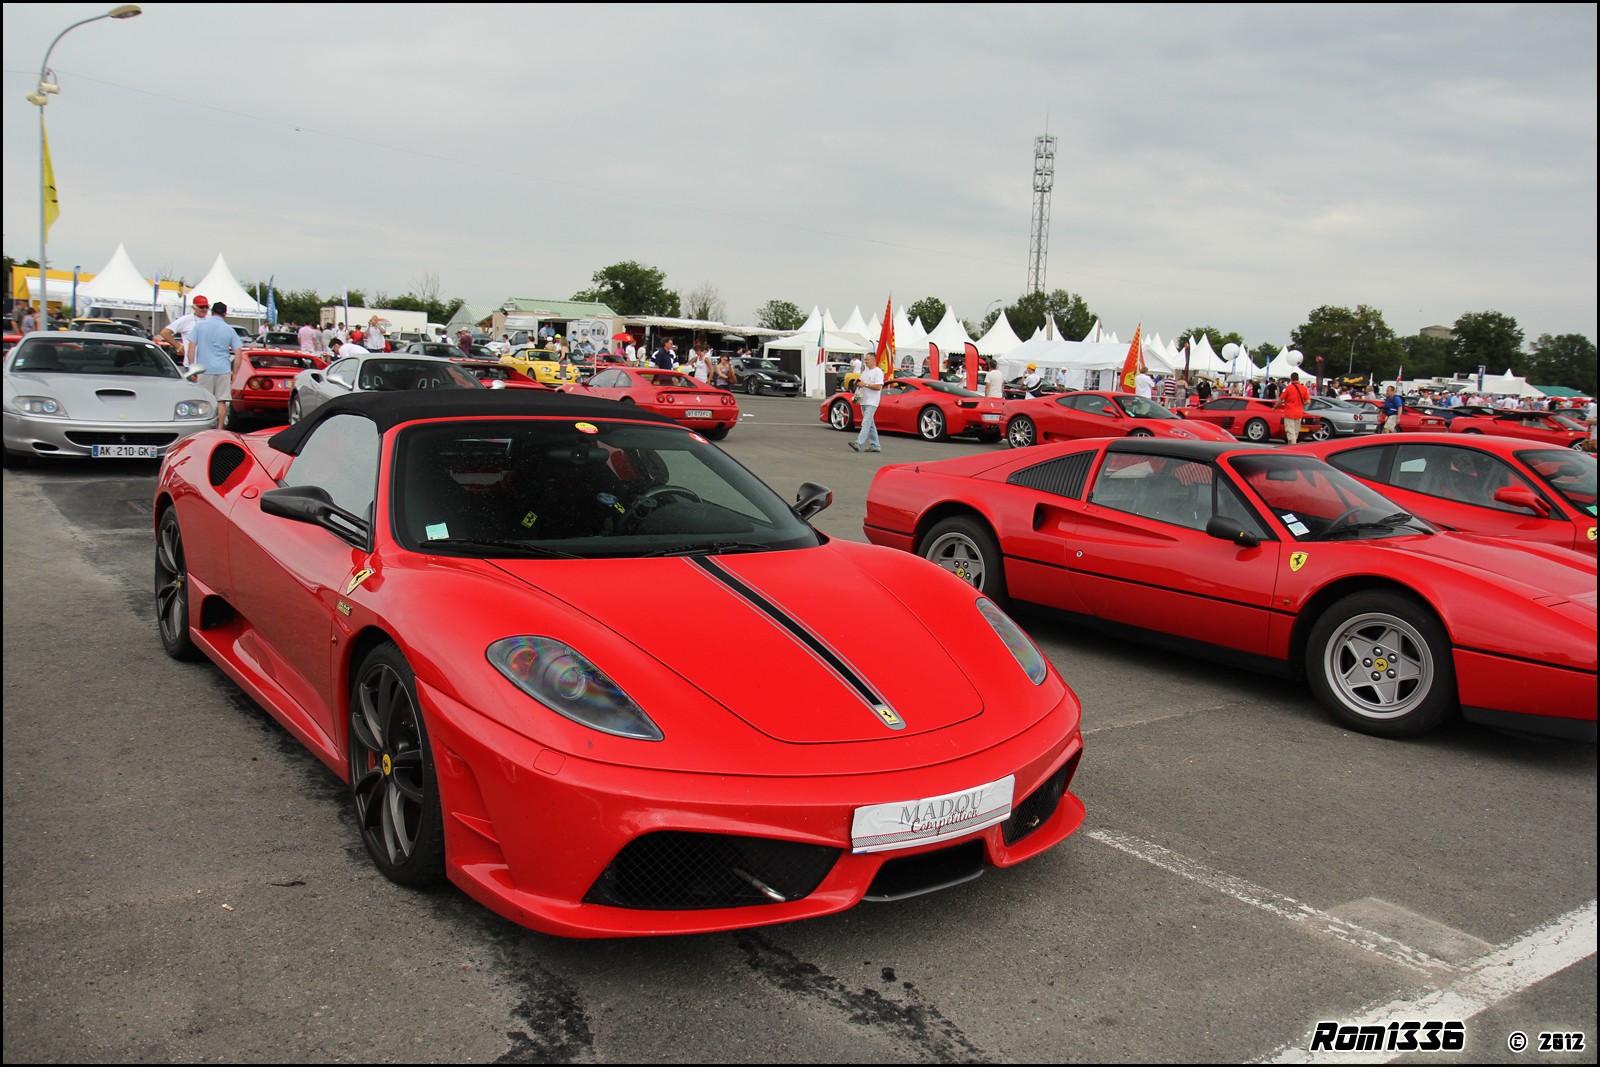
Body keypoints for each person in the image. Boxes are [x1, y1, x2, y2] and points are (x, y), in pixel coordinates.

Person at [190, 301, 243, 429]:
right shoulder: (229, 330)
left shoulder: (199, 326)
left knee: (204, 401)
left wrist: (192, 367)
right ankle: (219, 429)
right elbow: (238, 354)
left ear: (212, 311)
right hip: (223, 369)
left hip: (203, 369)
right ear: (225, 314)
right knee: (221, 401)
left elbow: (191, 349)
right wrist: (234, 372)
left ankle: (203, 429)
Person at [157, 295, 211, 366]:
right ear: (194, 307)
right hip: (191, 364)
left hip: (209, 364)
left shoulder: (211, 319)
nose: (204, 309)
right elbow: (165, 333)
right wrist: (178, 346)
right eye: (201, 307)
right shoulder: (186, 319)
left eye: (206, 307)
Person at [848, 357, 885, 453]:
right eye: (865, 359)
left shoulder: (878, 372)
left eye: (867, 359)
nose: (865, 361)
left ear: (873, 360)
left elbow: (878, 386)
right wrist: (858, 382)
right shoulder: (865, 372)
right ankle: (875, 445)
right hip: (864, 400)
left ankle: (859, 443)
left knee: (866, 423)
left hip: (872, 402)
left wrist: (865, 385)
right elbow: (862, 382)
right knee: (870, 424)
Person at [1277, 371, 1310, 445]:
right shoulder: (1304, 388)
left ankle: (1293, 447)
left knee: (1290, 432)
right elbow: (1308, 401)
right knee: (1295, 432)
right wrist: (1300, 403)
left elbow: (1280, 400)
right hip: (1299, 413)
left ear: (1291, 379)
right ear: (1298, 378)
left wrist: (1275, 407)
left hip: (1289, 413)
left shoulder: (1288, 388)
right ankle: (1290, 446)